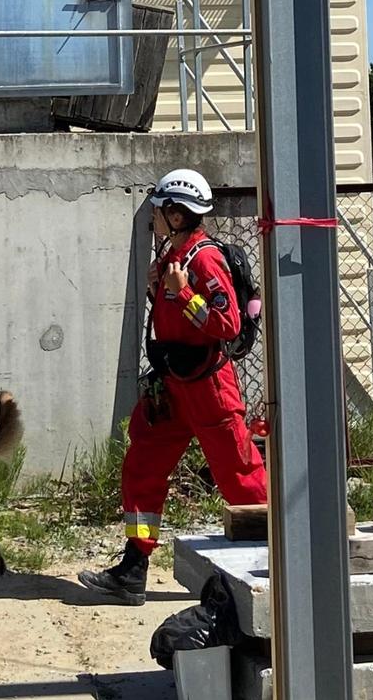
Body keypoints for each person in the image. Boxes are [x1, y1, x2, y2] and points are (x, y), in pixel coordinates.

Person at [79, 169, 269, 605]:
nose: (154, 216)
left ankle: (273, 564)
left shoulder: (202, 260)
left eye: (160, 210)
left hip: (207, 387)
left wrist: (183, 293)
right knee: (142, 465)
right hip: (173, 385)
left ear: (178, 214)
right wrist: (157, 290)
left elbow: (227, 323)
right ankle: (133, 568)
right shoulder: (172, 254)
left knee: (240, 476)